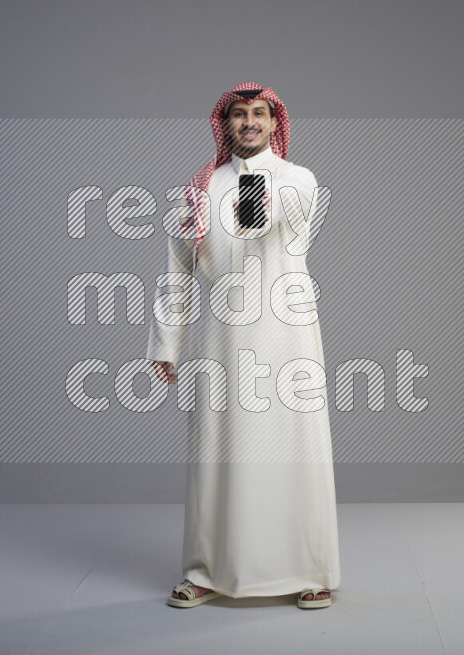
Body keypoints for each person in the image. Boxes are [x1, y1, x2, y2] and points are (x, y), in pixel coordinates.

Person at [146, 81, 341, 609]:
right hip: (223, 337)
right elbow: (178, 271)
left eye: (259, 114)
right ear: (224, 124)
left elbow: (261, 219)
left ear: (275, 123)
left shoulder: (298, 180)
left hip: (287, 332)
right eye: (239, 115)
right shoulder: (196, 191)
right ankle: (206, 571)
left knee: (294, 447)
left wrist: (244, 177)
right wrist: (168, 343)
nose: (249, 123)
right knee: (217, 451)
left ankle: (309, 570)